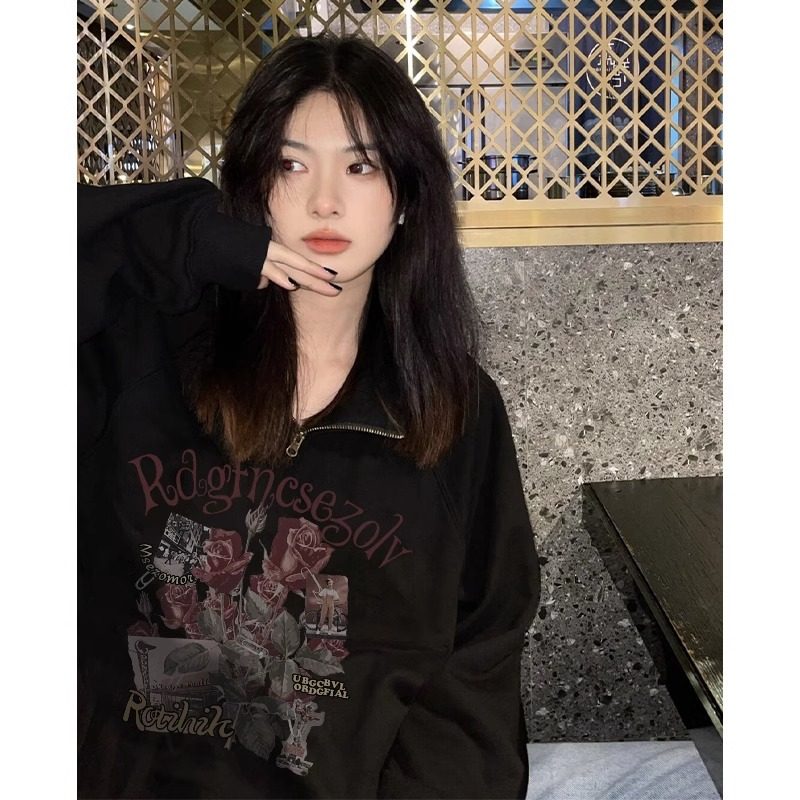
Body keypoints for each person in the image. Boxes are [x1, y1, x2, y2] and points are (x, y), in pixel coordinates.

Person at [78, 33, 540, 799]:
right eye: (291, 166)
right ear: (253, 188)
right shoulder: (142, 353)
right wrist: (186, 235)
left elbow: (477, 667)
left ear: (407, 198)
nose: (325, 200)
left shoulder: (452, 409)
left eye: (360, 167)